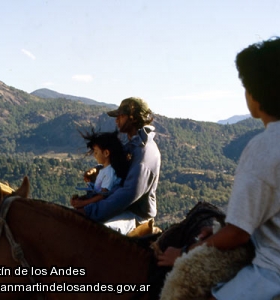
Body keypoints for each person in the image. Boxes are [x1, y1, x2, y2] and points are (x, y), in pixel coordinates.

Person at [157, 37, 280, 300]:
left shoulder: (264, 147)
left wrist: (188, 252)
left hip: (272, 273)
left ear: (255, 95)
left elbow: (237, 233)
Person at [72, 97, 161, 235]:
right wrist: (97, 171)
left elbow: (128, 194)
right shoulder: (133, 145)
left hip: (135, 214)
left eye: (121, 116)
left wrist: (91, 210)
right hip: (122, 209)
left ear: (133, 118)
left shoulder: (145, 152)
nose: (116, 120)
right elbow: (117, 165)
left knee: (99, 233)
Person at [71, 130, 129, 208]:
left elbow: (102, 195)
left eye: (96, 152)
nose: (94, 155)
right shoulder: (105, 169)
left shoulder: (109, 173)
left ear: (106, 153)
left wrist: (83, 203)